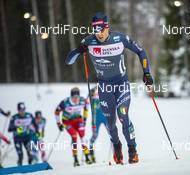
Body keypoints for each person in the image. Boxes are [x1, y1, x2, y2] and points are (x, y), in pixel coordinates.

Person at [72, 12, 154, 164]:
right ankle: (117, 146)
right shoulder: (89, 41)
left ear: (107, 27)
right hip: (104, 86)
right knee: (110, 123)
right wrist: (79, 50)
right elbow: (69, 60)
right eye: (95, 30)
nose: (99, 34)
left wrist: (146, 73)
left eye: (101, 29)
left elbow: (140, 51)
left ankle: (132, 149)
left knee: (123, 115)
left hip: (121, 84)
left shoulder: (119, 38)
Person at [54, 87, 91, 166]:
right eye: (74, 97)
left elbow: (86, 108)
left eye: (77, 97)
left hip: (78, 120)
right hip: (67, 122)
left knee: (82, 136)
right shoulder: (65, 102)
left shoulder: (82, 100)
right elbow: (56, 112)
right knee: (74, 136)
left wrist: (84, 119)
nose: (75, 99)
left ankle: (87, 157)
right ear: (71, 96)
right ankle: (75, 159)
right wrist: (59, 124)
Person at [89, 87, 107, 163]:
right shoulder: (92, 99)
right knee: (94, 136)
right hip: (96, 120)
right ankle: (91, 153)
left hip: (106, 118)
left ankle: (117, 154)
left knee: (112, 135)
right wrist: (91, 92)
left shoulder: (105, 90)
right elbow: (89, 95)